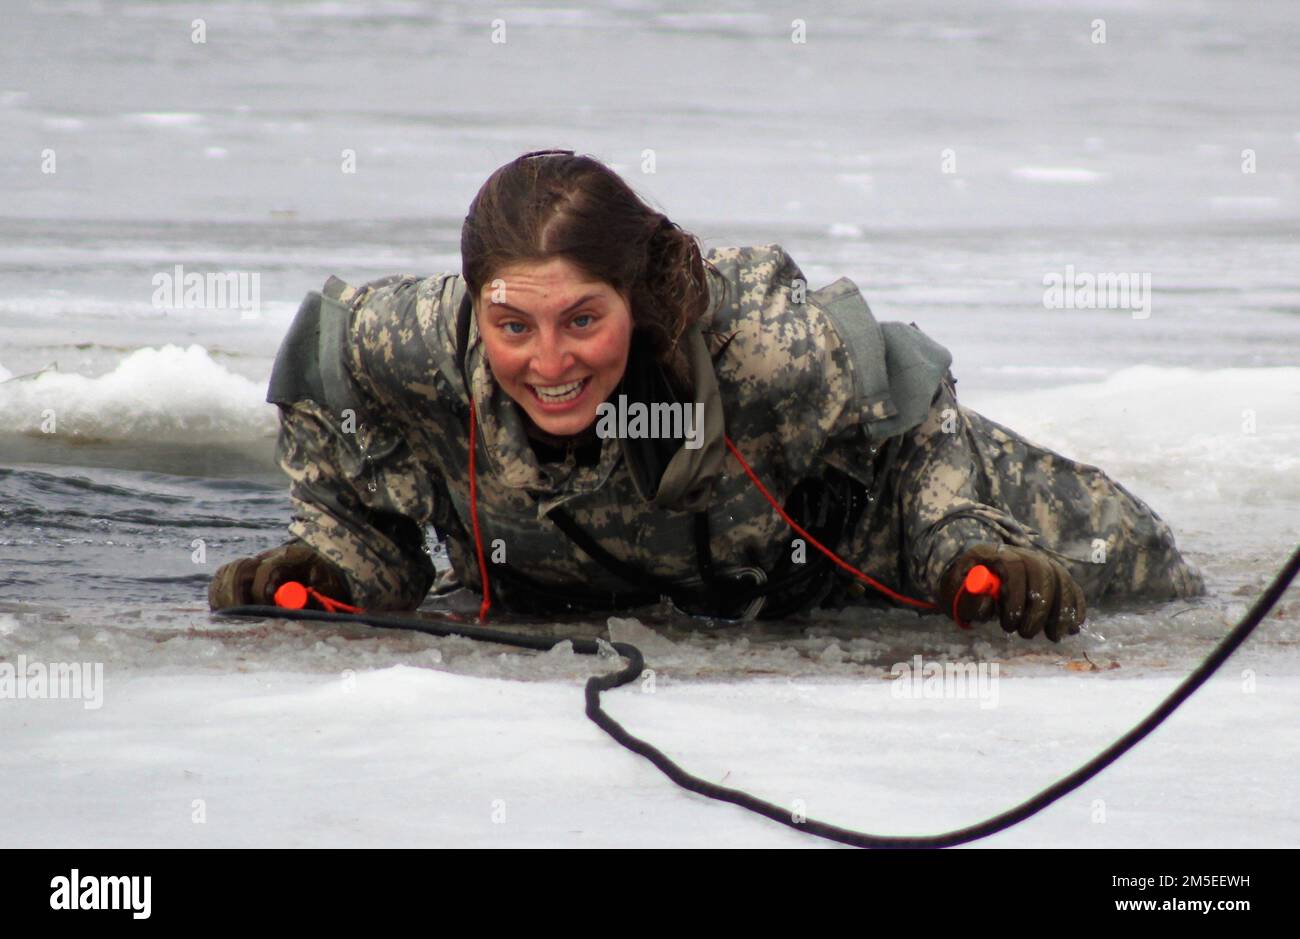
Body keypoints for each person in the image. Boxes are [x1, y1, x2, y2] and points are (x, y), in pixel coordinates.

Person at [208, 150, 1204, 642]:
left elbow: (912, 400)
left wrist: (970, 545)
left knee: (1163, 587)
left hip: (922, 543)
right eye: (515, 324)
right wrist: (333, 560)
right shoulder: (402, 345)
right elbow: (327, 391)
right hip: (697, 593)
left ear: (635, 305)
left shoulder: (760, 346)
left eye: (583, 321)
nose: (549, 360)